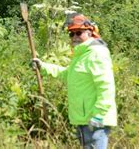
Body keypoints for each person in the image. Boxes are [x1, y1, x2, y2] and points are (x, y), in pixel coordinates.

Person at [31, 13, 117, 149]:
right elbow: (67, 74)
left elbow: (106, 86)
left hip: (95, 120)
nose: (75, 37)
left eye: (79, 33)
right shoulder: (81, 54)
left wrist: (99, 116)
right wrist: (43, 66)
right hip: (83, 119)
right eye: (71, 34)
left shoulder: (97, 53)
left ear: (89, 33)